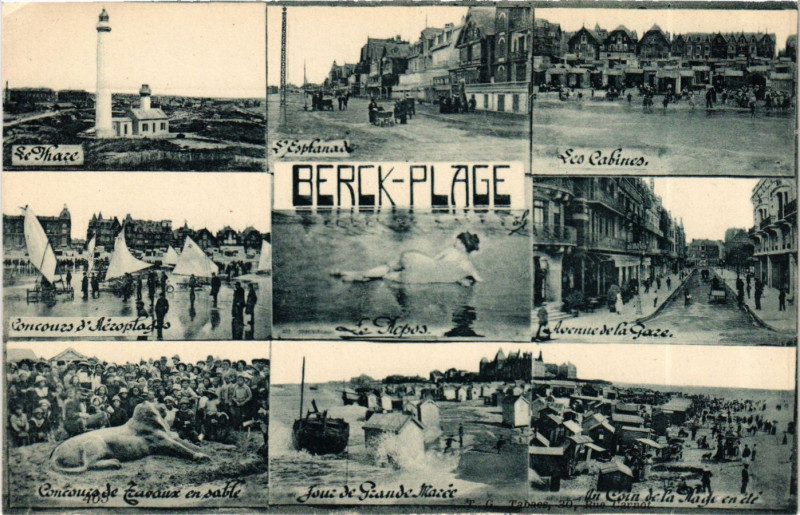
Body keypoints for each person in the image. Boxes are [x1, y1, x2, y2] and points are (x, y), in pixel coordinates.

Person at [332, 232, 482, 286]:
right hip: (418, 278)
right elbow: (479, 280)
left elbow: (435, 260)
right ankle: (355, 277)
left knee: (387, 267)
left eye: (457, 241)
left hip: (416, 260)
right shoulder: (468, 266)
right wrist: (462, 279)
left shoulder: (450, 250)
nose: (455, 242)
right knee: (385, 276)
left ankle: (354, 273)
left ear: (462, 244)